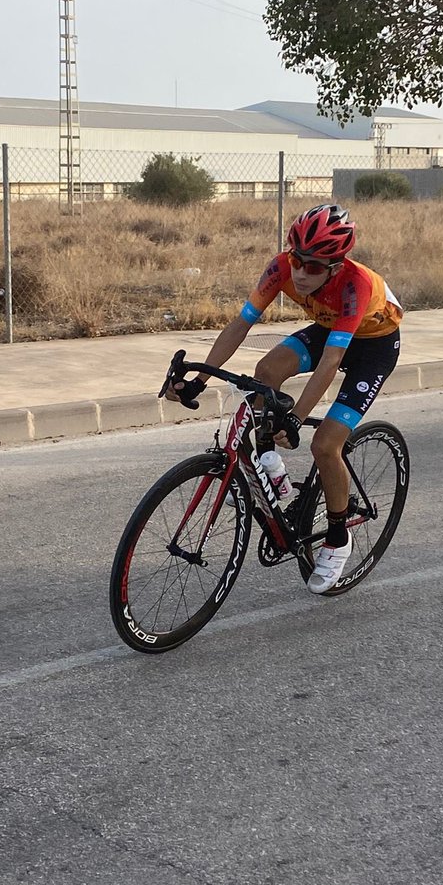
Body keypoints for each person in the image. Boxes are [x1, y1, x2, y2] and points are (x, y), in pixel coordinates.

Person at [164, 204, 403, 594]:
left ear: (336, 266)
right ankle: (268, 461)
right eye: (298, 260)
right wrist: (199, 379)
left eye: (314, 266)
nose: (301, 273)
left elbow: (332, 361)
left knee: (325, 444)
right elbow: (241, 323)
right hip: (330, 329)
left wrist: (297, 418)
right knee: (267, 370)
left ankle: (338, 537)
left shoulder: (355, 284)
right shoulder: (279, 268)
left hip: (373, 347)